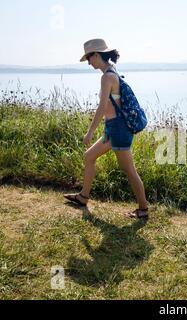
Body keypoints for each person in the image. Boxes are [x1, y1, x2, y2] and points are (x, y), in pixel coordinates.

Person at [64, 39, 149, 219]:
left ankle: (143, 209)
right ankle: (83, 197)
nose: (88, 62)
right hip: (112, 128)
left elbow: (102, 107)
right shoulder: (111, 72)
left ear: (96, 54)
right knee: (89, 157)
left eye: (89, 57)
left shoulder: (107, 77)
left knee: (129, 170)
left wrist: (89, 132)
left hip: (118, 129)